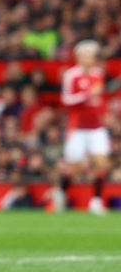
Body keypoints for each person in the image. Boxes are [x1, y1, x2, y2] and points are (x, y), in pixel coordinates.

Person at [59, 40, 110, 216]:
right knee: (74, 168)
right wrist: (86, 95)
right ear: (78, 57)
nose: (89, 58)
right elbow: (66, 100)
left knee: (102, 163)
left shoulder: (98, 74)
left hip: (97, 127)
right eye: (85, 55)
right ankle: (61, 194)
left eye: (91, 55)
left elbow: (100, 99)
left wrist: (105, 114)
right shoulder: (71, 75)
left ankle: (96, 201)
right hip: (78, 127)